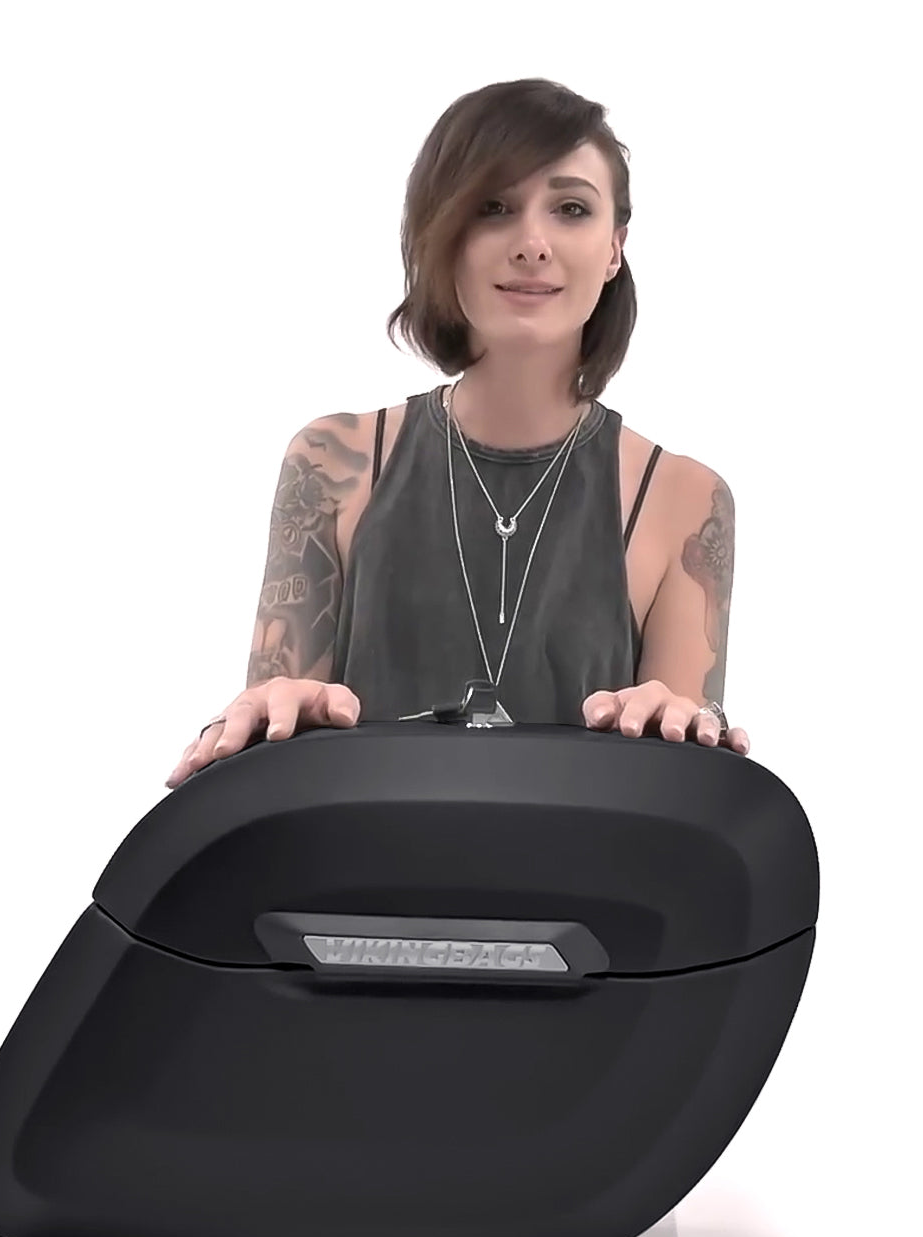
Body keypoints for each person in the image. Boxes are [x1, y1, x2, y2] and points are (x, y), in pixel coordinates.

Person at [165, 77, 750, 790]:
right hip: (358, 857)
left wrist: (685, 725)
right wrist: (263, 717)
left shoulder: (685, 499)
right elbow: (272, 747)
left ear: (614, 249)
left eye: (570, 209)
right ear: (442, 236)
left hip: (582, 861)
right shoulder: (333, 462)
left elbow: (678, 794)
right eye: (493, 208)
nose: (532, 244)